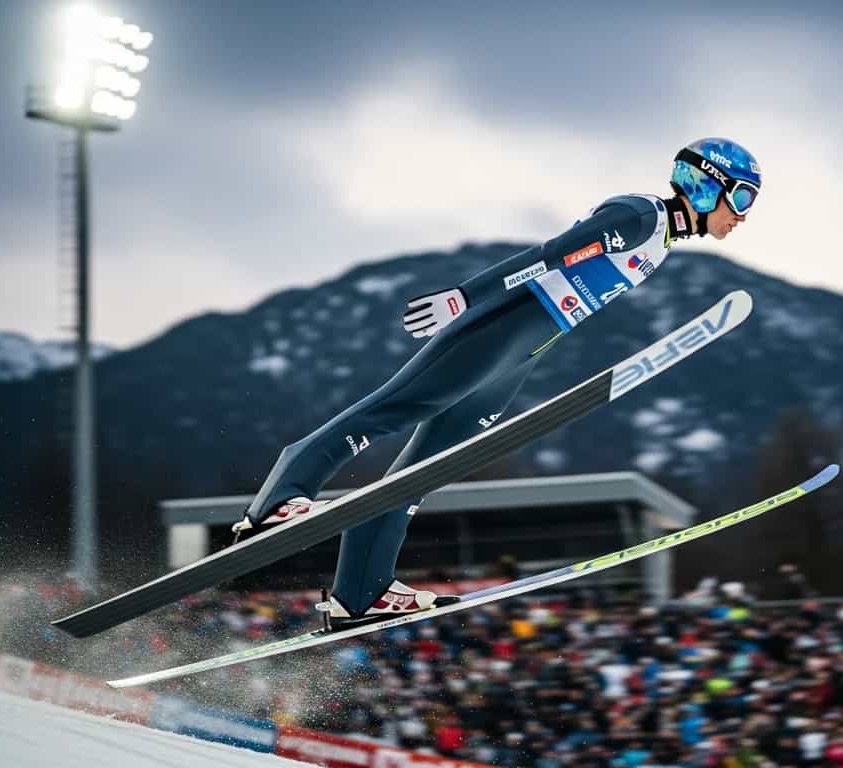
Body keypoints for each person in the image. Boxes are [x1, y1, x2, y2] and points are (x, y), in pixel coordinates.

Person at [230, 138, 762, 627]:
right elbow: (550, 255)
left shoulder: (662, 239)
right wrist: (466, 297)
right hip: (501, 326)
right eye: (740, 198)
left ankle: (361, 591)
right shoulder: (641, 215)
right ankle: (280, 497)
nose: (741, 215)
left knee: (426, 472)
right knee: (391, 409)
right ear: (706, 182)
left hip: (527, 348)